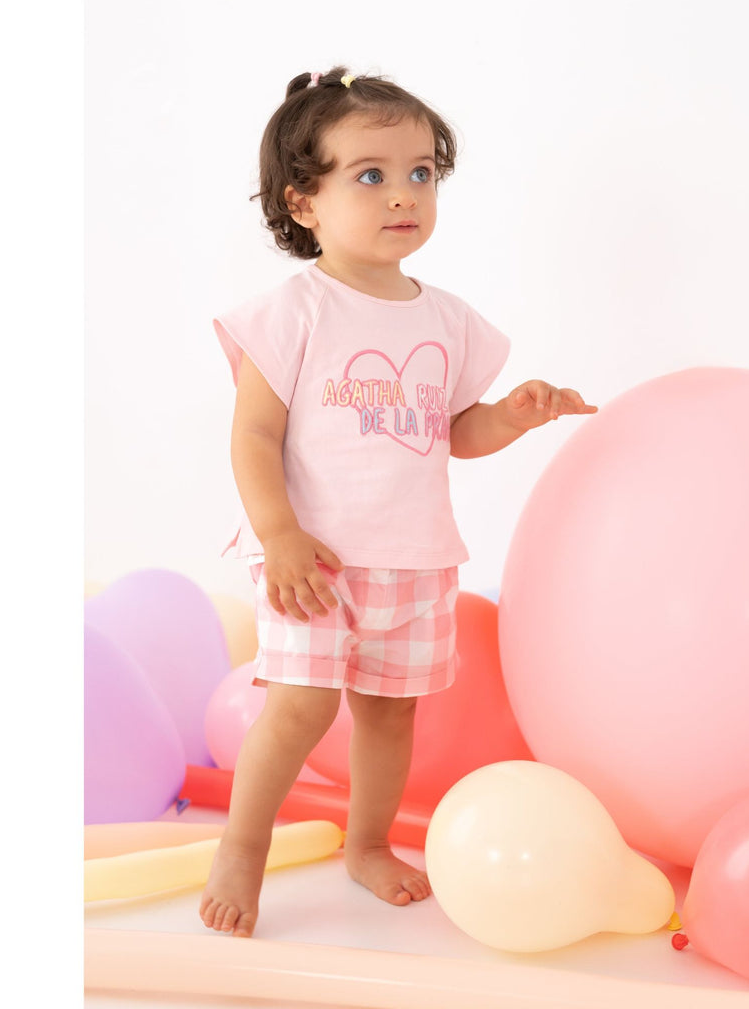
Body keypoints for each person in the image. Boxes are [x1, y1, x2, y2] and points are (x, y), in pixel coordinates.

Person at [200, 66, 598, 938]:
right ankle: (241, 848)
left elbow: (453, 431)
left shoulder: (447, 320)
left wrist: (511, 414)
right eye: (370, 175)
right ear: (303, 202)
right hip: (312, 561)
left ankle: (369, 843)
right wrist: (279, 532)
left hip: (414, 557)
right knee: (300, 708)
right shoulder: (293, 313)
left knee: (389, 716)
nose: (403, 194)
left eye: (421, 173)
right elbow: (254, 435)